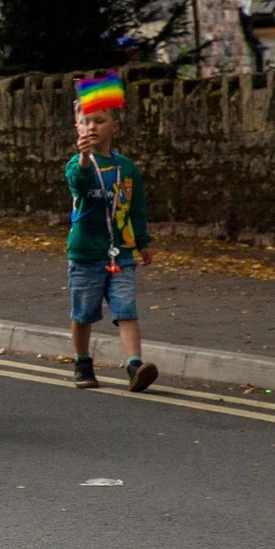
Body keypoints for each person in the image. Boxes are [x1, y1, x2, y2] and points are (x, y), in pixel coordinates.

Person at [67, 101, 157, 391]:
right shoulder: (76, 164)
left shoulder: (127, 168)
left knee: (126, 309)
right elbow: (78, 186)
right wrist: (83, 157)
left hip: (121, 253)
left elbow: (137, 209)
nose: (92, 126)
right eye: (86, 121)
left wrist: (143, 241)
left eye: (100, 120)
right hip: (85, 254)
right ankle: (82, 361)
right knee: (84, 314)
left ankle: (134, 365)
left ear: (114, 127)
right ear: (78, 127)